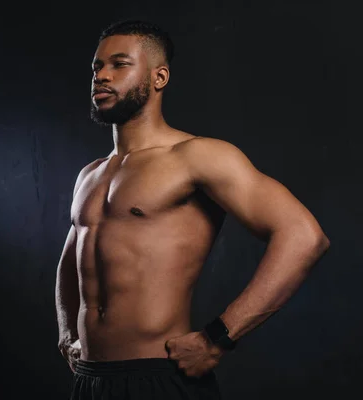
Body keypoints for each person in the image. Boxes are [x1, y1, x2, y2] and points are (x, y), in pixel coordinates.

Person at [55, 20, 330, 400]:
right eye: (97, 67)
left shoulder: (197, 157)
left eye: (119, 64)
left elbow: (303, 236)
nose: (101, 76)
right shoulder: (90, 174)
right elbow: (72, 258)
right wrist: (66, 333)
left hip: (160, 378)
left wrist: (217, 338)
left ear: (159, 77)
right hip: (90, 381)